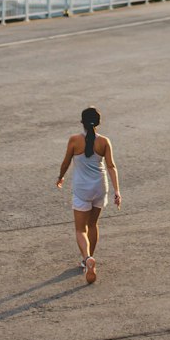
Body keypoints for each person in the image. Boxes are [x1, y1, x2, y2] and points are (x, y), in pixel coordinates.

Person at [56, 106, 121, 283]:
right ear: (98, 123)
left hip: (82, 189)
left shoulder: (75, 140)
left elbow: (66, 162)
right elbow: (111, 166)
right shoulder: (104, 141)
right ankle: (90, 256)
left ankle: (87, 259)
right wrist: (117, 191)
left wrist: (60, 177)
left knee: (80, 229)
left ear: (82, 122)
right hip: (100, 187)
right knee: (93, 224)